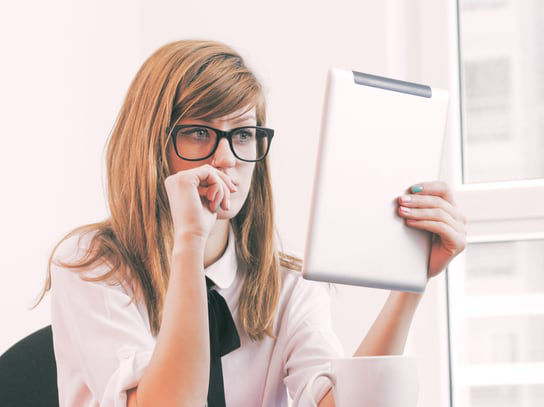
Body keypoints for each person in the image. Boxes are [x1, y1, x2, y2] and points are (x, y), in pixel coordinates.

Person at [36, 39, 467, 407]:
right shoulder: (92, 264)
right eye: (199, 133)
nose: (225, 158)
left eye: (242, 134)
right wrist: (189, 241)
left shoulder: (288, 285)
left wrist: (409, 280)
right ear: (152, 147)